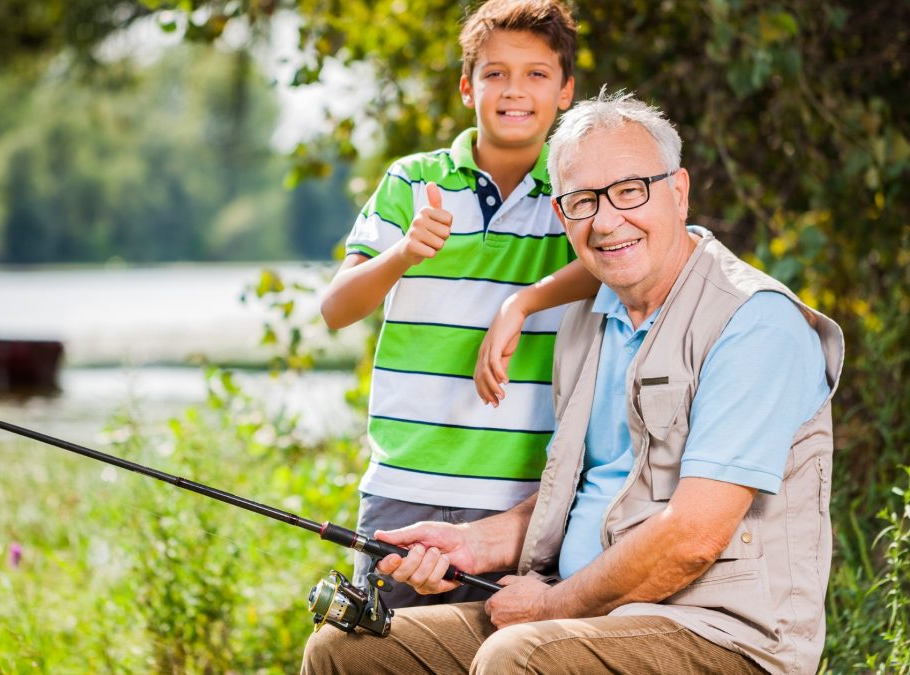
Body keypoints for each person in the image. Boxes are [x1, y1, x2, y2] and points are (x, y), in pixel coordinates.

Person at [303, 89, 844, 674]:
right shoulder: (589, 321)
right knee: (347, 653)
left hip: (722, 634)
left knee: (518, 656)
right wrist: (474, 544)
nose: (608, 221)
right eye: (583, 202)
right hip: (588, 612)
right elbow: (589, 492)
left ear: (679, 192)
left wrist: (552, 604)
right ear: (563, 217)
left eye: (631, 190)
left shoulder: (754, 321)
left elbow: (693, 534)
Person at [319, 0, 601, 610]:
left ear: (566, 91)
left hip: (520, 499)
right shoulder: (411, 179)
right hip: (404, 486)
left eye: (536, 74)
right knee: (378, 654)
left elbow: (618, 261)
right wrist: (402, 255)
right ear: (467, 87)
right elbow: (336, 310)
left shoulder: (577, 190)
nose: (514, 90)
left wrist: (521, 304)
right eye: (495, 73)